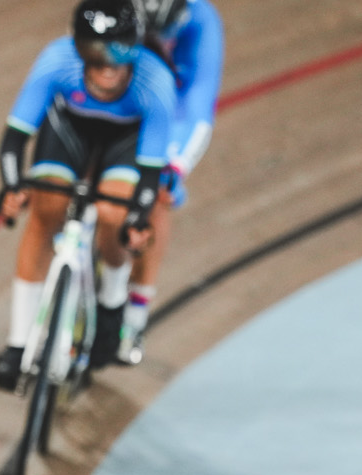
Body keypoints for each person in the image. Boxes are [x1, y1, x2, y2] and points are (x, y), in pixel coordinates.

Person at [0, 0, 179, 391]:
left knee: (113, 214)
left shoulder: (155, 81)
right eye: (95, 53)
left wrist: (138, 219)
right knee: (47, 212)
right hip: (69, 133)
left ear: (136, 47)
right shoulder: (56, 61)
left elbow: (149, 174)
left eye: (120, 53)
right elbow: (14, 139)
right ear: (77, 48)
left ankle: (111, 303)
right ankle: (18, 344)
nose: (108, 66)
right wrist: (12, 186)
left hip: (125, 142)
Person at [121, 0, 224, 361]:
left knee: (158, 195)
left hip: (172, 109)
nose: (160, 41)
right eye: (151, 33)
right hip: (126, 90)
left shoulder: (201, 23)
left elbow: (196, 107)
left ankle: (135, 310)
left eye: (165, 33)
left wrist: (175, 166)